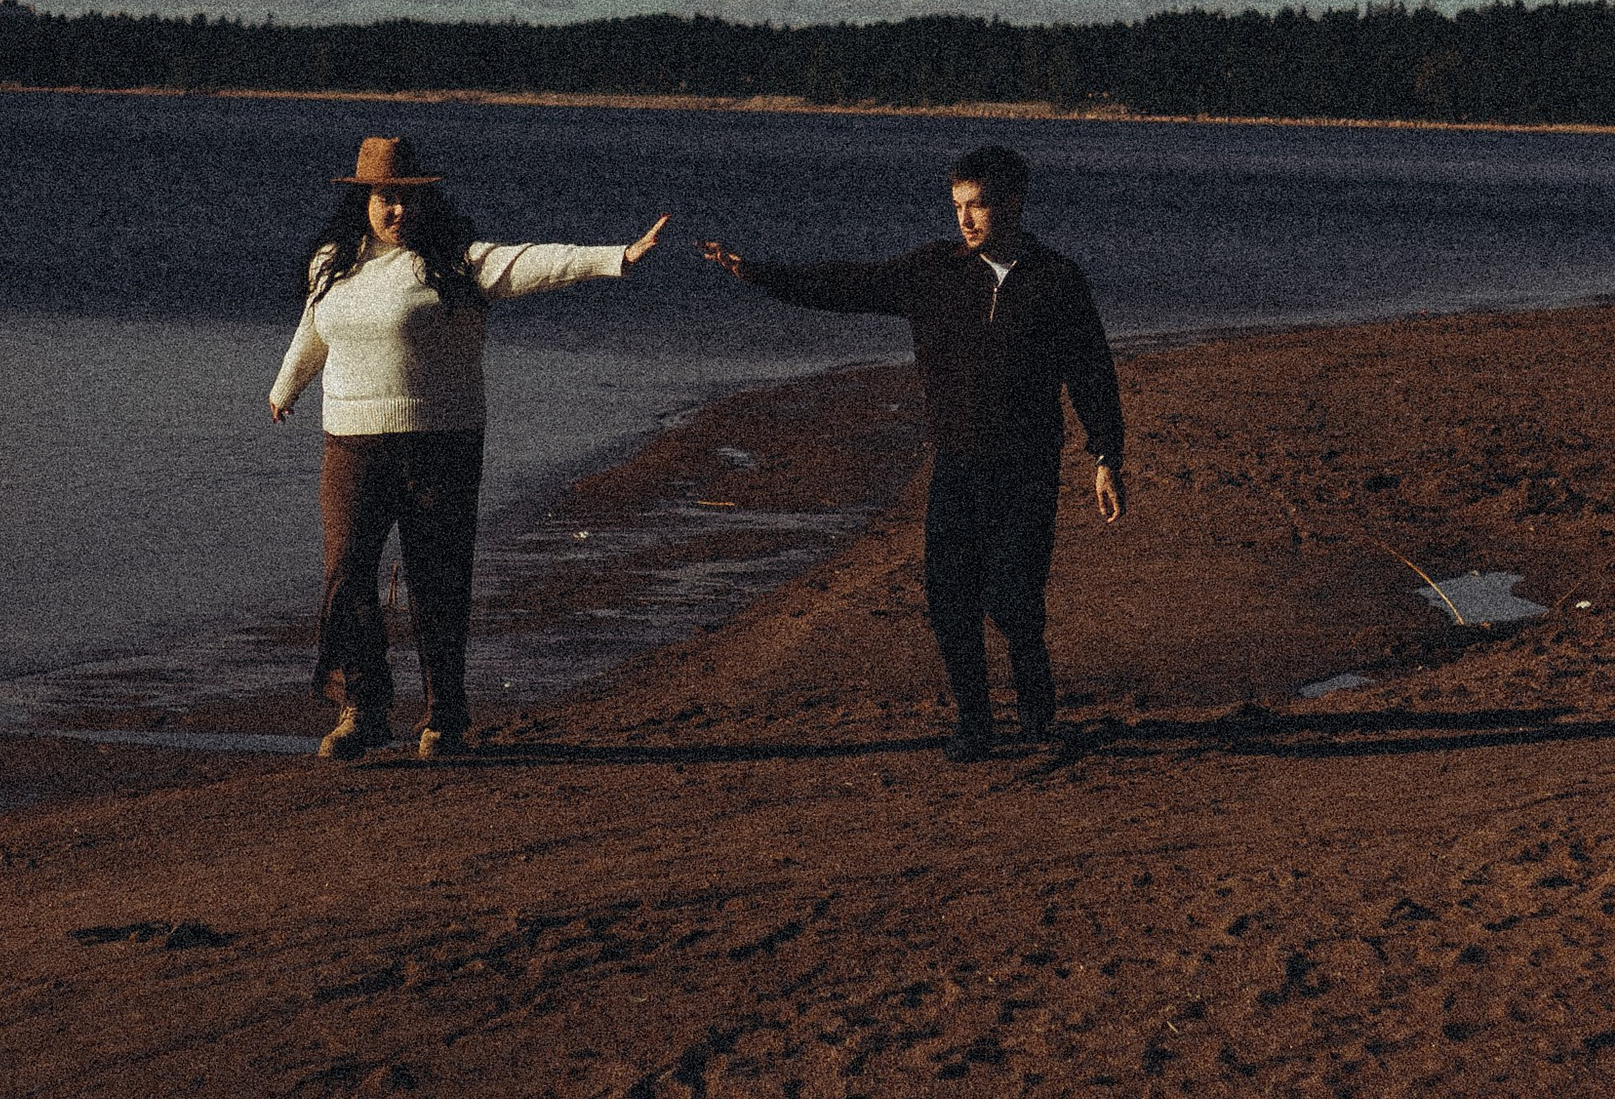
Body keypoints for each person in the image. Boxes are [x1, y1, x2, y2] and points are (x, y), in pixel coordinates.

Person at [702, 141, 1123, 759]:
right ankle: (976, 725)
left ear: (1013, 203)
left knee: (1013, 599)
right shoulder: (934, 272)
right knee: (949, 598)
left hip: (1028, 468)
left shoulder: (1057, 280)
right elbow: (846, 284)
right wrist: (757, 273)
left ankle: (1037, 712)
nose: (965, 220)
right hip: (955, 464)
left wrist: (1105, 455)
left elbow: (1091, 370)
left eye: (977, 206)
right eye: (958, 206)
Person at [270, 133, 668, 760]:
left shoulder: (459, 263)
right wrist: (286, 385)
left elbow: (536, 261)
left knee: (438, 580)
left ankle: (442, 718)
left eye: (406, 199)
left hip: (442, 442)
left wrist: (617, 255)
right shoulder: (331, 262)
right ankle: (363, 708)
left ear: (427, 201)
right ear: (364, 201)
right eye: (383, 198)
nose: (395, 211)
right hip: (350, 441)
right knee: (346, 573)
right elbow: (315, 329)